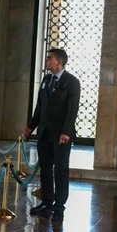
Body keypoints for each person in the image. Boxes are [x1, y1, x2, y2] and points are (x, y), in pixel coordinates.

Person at [23, 48, 81, 220]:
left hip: (61, 135)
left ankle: (59, 206)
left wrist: (66, 131)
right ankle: (47, 202)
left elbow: (72, 110)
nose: (47, 61)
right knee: (45, 169)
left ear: (59, 62)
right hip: (44, 132)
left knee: (61, 170)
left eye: (49, 58)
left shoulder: (72, 82)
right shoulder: (46, 80)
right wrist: (31, 127)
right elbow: (40, 107)